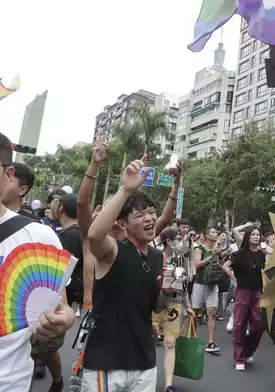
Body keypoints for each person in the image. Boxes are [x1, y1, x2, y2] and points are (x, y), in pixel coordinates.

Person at [0, 134, 76, 392]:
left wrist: (61, 320)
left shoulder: (38, 237)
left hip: (9, 382)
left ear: (8, 174)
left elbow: (62, 307)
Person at [82, 154, 165, 392]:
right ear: (123, 224)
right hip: (107, 364)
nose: (149, 218)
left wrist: (170, 291)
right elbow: (94, 235)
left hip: (145, 363)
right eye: (139, 215)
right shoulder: (112, 251)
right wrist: (126, 190)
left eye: (151, 211)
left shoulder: (158, 256)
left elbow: (157, 307)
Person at [154, 227, 195, 392]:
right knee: (149, 338)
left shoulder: (180, 259)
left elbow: (183, 284)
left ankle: (168, 384)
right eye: (177, 239)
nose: (179, 242)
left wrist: (188, 305)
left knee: (170, 343)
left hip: (174, 303)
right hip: (152, 302)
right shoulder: (154, 255)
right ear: (167, 241)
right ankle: (145, 377)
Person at [222, 227, 266, 371]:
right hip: (243, 291)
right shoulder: (239, 253)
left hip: (257, 292)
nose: (256, 237)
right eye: (253, 234)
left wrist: (264, 288)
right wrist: (236, 279)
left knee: (259, 325)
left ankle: (247, 352)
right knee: (240, 325)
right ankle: (239, 358)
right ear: (247, 237)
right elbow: (225, 267)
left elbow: (262, 272)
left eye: (258, 234)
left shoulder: (260, 254)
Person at [191, 228, 224, 354]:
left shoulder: (216, 249)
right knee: (195, 311)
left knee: (212, 313)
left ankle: (210, 342)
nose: (216, 234)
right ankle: (192, 337)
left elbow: (221, 265)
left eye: (216, 233)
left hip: (213, 285)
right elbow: (197, 264)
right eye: (213, 232)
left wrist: (220, 256)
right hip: (200, 284)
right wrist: (212, 256)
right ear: (205, 235)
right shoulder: (200, 248)